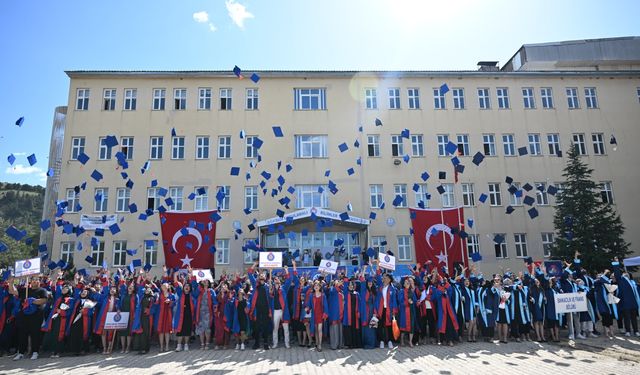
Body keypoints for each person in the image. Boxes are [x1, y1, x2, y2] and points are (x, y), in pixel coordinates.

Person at [8, 275, 48, 360]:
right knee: (22, 334)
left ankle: (35, 352)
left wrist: (33, 301)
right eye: (33, 279)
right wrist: (11, 283)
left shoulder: (42, 290)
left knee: (35, 334)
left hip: (36, 315)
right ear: (30, 281)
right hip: (24, 315)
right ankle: (21, 352)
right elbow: (12, 291)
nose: (35, 281)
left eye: (37, 280)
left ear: (39, 281)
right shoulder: (24, 290)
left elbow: (44, 300)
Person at [612, 257, 640, 337]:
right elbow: (617, 274)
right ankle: (628, 331)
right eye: (625, 273)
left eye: (627, 274)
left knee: (634, 319)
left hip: (633, 303)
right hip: (625, 303)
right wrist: (616, 263)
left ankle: (636, 331)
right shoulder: (621, 280)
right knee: (627, 318)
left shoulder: (633, 283)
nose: (626, 274)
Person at [248, 261, 272, 350]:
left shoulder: (268, 286)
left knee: (266, 326)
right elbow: (250, 274)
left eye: (263, 276)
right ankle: (257, 343)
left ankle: (266, 343)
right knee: (256, 326)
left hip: (266, 309)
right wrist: (254, 265)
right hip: (257, 309)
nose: (261, 276)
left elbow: (272, 296)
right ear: (258, 278)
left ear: (265, 278)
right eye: (260, 276)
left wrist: (271, 291)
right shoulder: (255, 285)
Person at [374, 260, 397, 349]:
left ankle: (390, 341)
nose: (385, 279)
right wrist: (377, 265)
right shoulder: (380, 286)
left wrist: (394, 311)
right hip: (381, 310)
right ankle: (382, 341)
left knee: (389, 326)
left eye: (386, 278)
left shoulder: (392, 289)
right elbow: (378, 275)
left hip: (389, 310)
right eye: (384, 278)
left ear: (390, 279)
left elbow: (394, 301)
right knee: (380, 326)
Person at [270, 264, 293, 349]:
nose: (276, 280)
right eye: (275, 279)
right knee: (275, 328)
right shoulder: (271, 290)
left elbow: (289, 280)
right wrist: (271, 272)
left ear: (279, 281)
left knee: (286, 329)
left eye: (277, 279)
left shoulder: (284, 288)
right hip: (275, 311)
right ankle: (275, 343)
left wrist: (286, 270)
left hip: (283, 311)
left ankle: (287, 343)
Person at [173, 270, 195, 351]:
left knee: (187, 330)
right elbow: (175, 284)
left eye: (188, 286)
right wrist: (175, 274)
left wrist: (191, 274)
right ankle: (179, 345)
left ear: (190, 288)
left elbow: (195, 285)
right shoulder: (180, 293)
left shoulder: (192, 295)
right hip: (181, 315)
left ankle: (186, 344)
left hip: (189, 315)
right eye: (185, 286)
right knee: (180, 330)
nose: (187, 287)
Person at [192, 276, 216, 350]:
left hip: (208, 313)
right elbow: (194, 294)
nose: (205, 282)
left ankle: (207, 344)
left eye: (206, 281)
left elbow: (215, 301)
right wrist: (199, 285)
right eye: (204, 281)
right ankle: (202, 344)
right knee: (200, 328)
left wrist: (216, 308)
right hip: (200, 312)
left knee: (207, 328)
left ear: (208, 283)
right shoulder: (200, 290)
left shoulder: (211, 291)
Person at [306, 280, 328, 351]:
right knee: (315, 330)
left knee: (320, 329)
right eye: (315, 286)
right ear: (313, 287)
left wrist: (325, 314)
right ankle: (317, 342)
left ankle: (320, 345)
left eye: (317, 286)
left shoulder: (323, 295)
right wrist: (308, 308)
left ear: (320, 287)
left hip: (320, 314)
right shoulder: (311, 295)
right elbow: (309, 305)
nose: (316, 287)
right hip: (314, 315)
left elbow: (325, 306)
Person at [397, 276, 417, 347]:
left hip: (411, 310)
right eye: (406, 282)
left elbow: (414, 299)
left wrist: (414, 302)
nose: (408, 283)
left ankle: (410, 341)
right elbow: (400, 301)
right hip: (404, 311)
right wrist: (407, 302)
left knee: (411, 326)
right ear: (404, 284)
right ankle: (402, 341)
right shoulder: (401, 291)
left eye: (408, 282)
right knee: (403, 325)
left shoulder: (411, 291)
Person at [342, 278, 361, 348]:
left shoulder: (357, 293)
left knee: (354, 328)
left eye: (351, 285)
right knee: (348, 329)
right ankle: (349, 344)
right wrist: (346, 279)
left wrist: (359, 311)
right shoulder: (346, 293)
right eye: (349, 285)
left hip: (355, 314)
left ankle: (355, 344)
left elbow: (359, 303)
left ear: (354, 286)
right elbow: (345, 284)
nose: (350, 286)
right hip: (348, 314)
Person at [327, 277, 345, 350]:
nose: (338, 282)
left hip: (341, 313)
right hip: (334, 313)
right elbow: (331, 291)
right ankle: (334, 345)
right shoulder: (332, 289)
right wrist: (336, 285)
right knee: (334, 330)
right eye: (337, 281)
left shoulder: (341, 291)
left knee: (340, 330)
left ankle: (340, 344)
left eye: (339, 281)